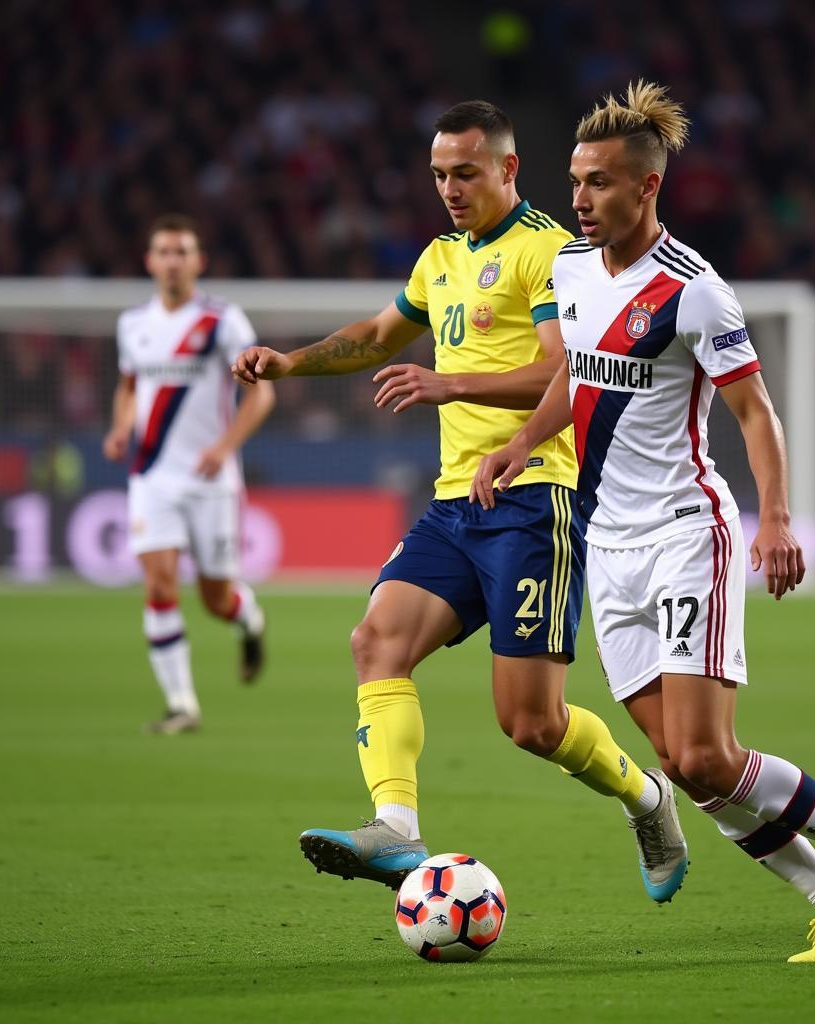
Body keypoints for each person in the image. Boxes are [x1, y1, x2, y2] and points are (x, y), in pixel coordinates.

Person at [471, 81, 815, 962]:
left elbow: (756, 413)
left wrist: (776, 518)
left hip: (687, 533)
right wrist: (519, 444)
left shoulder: (696, 292)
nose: (579, 199)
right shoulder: (572, 271)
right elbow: (572, 379)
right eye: (575, 182)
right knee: (691, 768)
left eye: (599, 184)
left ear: (646, 188)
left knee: (703, 754)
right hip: (603, 544)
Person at [232, 100, 688, 901]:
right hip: (454, 504)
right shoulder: (440, 255)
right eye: (439, 173)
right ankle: (397, 830)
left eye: (466, 172)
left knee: (532, 725)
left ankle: (647, 799)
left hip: (534, 496)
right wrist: (289, 363)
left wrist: (451, 384)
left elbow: (566, 368)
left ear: (508, 169)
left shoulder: (549, 252)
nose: (449, 187)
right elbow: (378, 337)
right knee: (376, 640)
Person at [104, 214, 274, 734]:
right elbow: (130, 386)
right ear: (150, 261)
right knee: (158, 584)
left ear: (198, 261)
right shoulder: (133, 325)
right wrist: (119, 427)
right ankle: (182, 705)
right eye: (164, 251)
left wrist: (224, 447)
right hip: (152, 475)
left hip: (210, 481)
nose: (173, 260)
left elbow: (261, 392)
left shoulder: (222, 321)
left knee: (216, 599)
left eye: (183, 251)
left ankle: (250, 620)